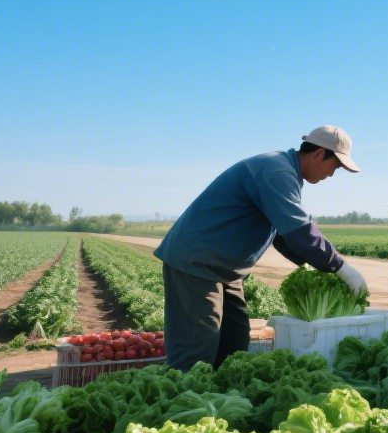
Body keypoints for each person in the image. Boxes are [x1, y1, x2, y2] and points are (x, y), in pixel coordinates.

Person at [154, 126, 368, 370]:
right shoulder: (276, 171)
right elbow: (300, 233)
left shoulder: (287, 174)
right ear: (320, 154)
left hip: (226, 271)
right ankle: (182, 403)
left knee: (234, 345)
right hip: (198, 264)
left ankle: (218, 403)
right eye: (336, 166)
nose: (333, 174)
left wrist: (316, 268)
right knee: (196, 353)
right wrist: (340, 268)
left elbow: (283, 237)